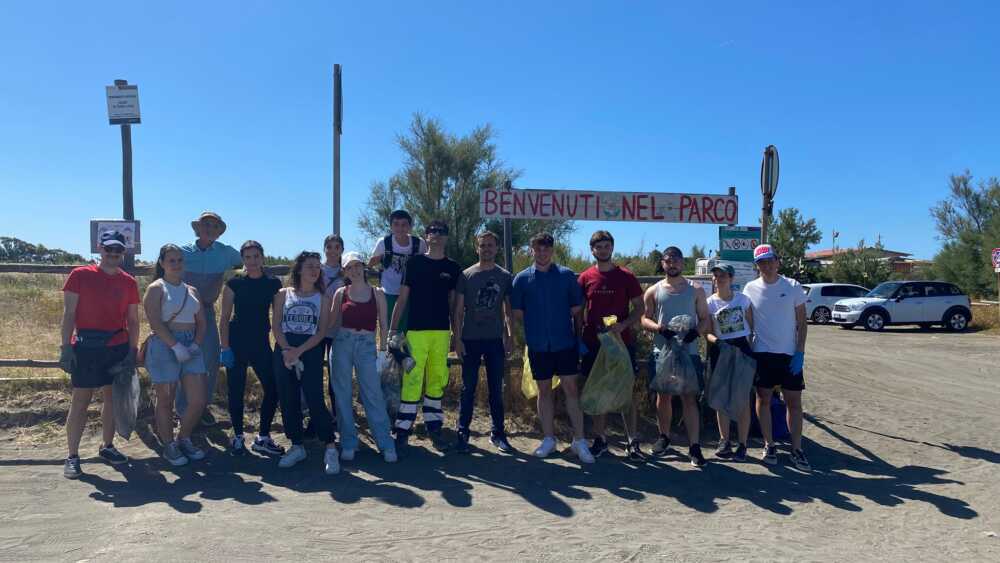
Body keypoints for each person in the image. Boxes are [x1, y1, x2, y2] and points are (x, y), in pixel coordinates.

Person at [58, 230, 138, 478]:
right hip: (86, 346)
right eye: (108, 250)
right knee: (80, 400)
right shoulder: (80, 275)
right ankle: (72, 455)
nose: (113, 254)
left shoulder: (129, 282)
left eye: (117, 251)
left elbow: (133, 319)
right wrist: (66, 347)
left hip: (117, 346)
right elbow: (69, 313)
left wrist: (132, 351)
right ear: (99, 249)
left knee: (112, 398)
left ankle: (108, 446)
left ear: (123, 253)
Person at [511, 233, 595, 464]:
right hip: (538, 345)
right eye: (538, 249)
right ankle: (549, 439)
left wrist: (577, 339)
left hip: (565, 344)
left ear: (553, 250)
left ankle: (579, 441)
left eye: (546, 248)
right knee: (544, 391)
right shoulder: (521, 279)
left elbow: (577, 310)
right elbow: (517, 313)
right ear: (532, 250)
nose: (542, 252)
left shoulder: (567, 276)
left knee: (571, 390)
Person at [389, 219, 460, 452]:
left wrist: (456, 335)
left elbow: (453, 305)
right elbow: (403, 297)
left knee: (437, 379)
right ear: (426, 236)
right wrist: (392, 329)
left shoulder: (452, 267)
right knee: (412, 378)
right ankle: (402, 430)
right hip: (416, 331)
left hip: (441, 332)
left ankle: (434, 428)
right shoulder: (415, 263)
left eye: (441, 232)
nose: (436, 235)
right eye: (432, 231)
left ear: (447, 237)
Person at [578, 230, 645, 461]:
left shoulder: (626, 276)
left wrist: (623, 325)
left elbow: (640, 308)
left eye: (606, 246)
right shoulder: (585, 277)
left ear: (612, 248)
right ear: (592, 250)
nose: (603, 250)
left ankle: (632, 441)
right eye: (599, 247)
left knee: (627, 391)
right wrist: (579, 336)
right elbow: (578, 311)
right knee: (597, 390)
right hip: (593, 344)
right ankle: (601, 439)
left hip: (620, 344)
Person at [641, 246, 711, 467]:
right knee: (664, 396)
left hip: (689, 352)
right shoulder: (653, 291)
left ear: (683, 263)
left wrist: (696, 332)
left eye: (676, 260)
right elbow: (644, 318)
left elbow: (705, 319)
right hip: (662, 353)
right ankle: (664, 437)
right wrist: (660, 329)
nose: (672, 264)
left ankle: (695, 446)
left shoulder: (696, 289)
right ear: (662, 263)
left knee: (690, 397)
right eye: (668, 260)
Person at [742, 244, 811, 470]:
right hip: (762, 354)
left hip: (789, 354)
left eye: (770, 260)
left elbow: (802, 322)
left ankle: (796, 449)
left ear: (777, 261)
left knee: (794, 403)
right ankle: (769, 444)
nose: (767, 265)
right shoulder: (749, 288)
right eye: (762, 262)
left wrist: (800, 351)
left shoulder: (792, 286)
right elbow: (747, 320)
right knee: (763, 400)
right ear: (757, 265)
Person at [272, 251, 338, 474]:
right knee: (288, 398)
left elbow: (321, 332)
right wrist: (288, 350)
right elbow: (277, 326)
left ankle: (329, 445)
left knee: (315, 398)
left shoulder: (323, 298)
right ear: (299, 269)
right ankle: (297, 445)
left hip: (309, 350)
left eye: (317, 267)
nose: (314, 270)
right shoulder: (283, 294)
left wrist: (299, 351)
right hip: (285, 349)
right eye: (309, 266)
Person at [143, 244, 210, 466]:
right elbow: (154, 321)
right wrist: (174, 346)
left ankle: (184, 437)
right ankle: (169, 445)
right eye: (171, 260)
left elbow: (202, 322)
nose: (176, 264)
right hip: (164, 345)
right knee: (166, 399)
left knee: (198, 400)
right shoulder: (156, 288)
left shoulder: (192, 290)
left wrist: (195, 345)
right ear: (162, 263)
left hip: (190, 343)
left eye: (179, 260)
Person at [328, 252, 398, 463]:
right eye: (350, 267)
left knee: (373, 394)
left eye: (358, 266)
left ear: (364, 268)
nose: (355, 270)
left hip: (367, 345)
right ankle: (349, 442)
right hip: (342, 343)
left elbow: (384, 325)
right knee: (342, 394)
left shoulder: (377, 293)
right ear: (345, 272)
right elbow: (331, 323)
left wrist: (383, 352)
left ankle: (385, 442)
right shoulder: (341, 293)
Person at [218, 240, 285, 457]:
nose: (252, 261)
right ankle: (237, 435)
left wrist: (282, 345)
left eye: (256, 256)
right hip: (237, 342)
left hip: (261, 343)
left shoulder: (273, 283)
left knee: (273, 387)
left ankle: (263, 436)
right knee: (236, 390)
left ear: (262, 257)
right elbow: (224, 318)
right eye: (248, 257)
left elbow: (278, 319)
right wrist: (225, 347)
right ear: (243, 259)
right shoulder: (234, 283)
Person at [452, 231, 514, 454]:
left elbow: (508, 311)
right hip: (470, 338)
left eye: (490, 245)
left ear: (497, 248)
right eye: (482, 245)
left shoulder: (505, 276)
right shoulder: (466, 275)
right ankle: (463, 431)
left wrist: (510, 336)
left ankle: (498, 433)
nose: (486, 248)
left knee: (496, 389)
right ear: (476, 248)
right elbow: (458, 311)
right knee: (468, 388)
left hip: (494, 339)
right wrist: (457, 339)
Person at [178, 211, 243, 427]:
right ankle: (181, 410)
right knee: (180, 359)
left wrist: (234, 277)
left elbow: (246, 263)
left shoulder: (226, 253)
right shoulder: (183, 252)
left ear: (219, 231)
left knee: (211, 358)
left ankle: (201, 406)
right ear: (197, 228)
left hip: (205, 311)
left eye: (215, 226)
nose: (210, 229)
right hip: (181, 312)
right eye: (206, 224)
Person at [706, 264, 755, 462]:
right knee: (721, 397)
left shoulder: (743, 300)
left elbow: (751, 327)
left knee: (742, 397)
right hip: (721, 349)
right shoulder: (709, 303)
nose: (719, 279)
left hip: (741, 349)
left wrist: (748, 352)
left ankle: (742, 444)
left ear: (731, 278)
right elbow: (707, 332)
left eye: (723, 275)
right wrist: (717, 342)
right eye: (716, 276)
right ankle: (724, 440)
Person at [368, 209, 427, 333]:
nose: (400, 228)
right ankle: (389, 351)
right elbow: (370, 264)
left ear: (410, 227)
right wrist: (381, 259)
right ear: (391, 226)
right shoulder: (384, 243)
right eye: (396, 224)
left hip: (411, 294)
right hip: (389, 293)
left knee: (410, 330)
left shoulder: (418, 243)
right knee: (390, 329)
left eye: (404, 224)